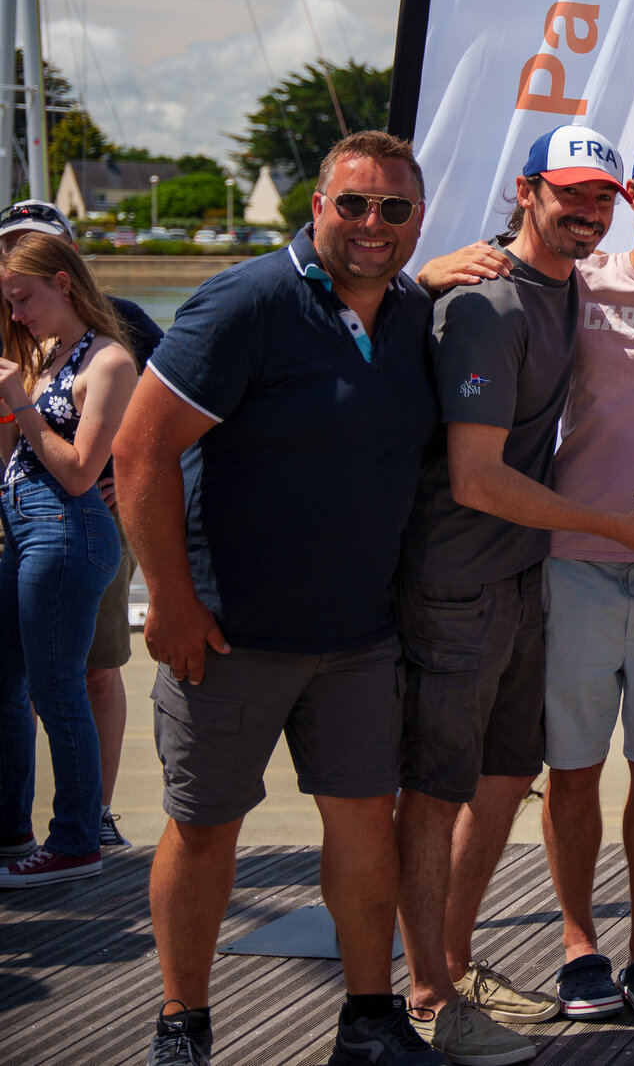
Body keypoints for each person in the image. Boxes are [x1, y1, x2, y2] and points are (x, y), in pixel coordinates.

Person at [114, 133, 444, 1066]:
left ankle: (368, 1020)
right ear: (317, 206)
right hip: (229, 635)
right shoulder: (246, 302)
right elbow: (140, 450)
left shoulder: (416, 312)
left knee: (364, 820)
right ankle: (181, 1023)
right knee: (204, 825)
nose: (372, 224)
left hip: (360, 636)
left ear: (419, 218)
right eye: (354, 204)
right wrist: (170, 599)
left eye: (394, 208)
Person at [423, 120, 634, 1022]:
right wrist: (426, 274)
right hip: (572, 565)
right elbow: (494, 288)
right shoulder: (581, 278)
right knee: (572, 769)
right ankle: (579, 947)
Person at [0, 200, 162, 850]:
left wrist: (132, 476)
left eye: (30, 248)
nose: (17, 302)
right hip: (21, 518)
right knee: (21, 679)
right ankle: (23, 825)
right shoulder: (21, 328)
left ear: (65, 263)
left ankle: (89, 818)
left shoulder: (122, 331)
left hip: (92, 519)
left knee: (88, 672)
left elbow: (181, 411)